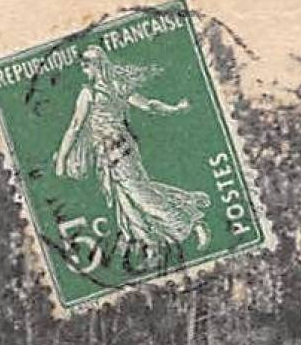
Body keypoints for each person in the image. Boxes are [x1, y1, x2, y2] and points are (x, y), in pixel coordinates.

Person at [53, 46, 211, 260]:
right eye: (83, 64)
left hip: (119, 151)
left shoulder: (92, 92)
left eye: (86, 64)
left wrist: (62, 159)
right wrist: (174, 108)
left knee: (140, 195)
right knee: (127, 199)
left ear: (97, 65)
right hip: (109, 154)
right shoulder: (114, 87)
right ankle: (150, 244)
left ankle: (189, 224)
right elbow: (148, 106)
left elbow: (75, 126)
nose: (83, 69)